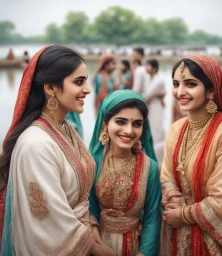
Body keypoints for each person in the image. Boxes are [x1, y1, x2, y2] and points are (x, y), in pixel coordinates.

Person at [0, 45, 116, 255]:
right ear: (50, 88)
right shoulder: (35, 144)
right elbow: (46, 222)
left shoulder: (66, 128)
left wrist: (93, 228)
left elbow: (80, 199)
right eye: (79, 82)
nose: (88, 89)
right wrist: (96, 248)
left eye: (86, 81)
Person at [160, 55, 222, 255]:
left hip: (212, 241)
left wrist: (184, 215)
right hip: (176, 233)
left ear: (211, 90)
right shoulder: (176, 129)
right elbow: (167, 174)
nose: (180, 92)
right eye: (176, 84)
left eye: (190, 84)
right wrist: (171, 195)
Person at [89, 90, 161, 256]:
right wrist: (97, 242)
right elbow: (88, 207)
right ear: (105, 123)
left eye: (137, 124)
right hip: (99, 245)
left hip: (135, 244)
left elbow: (152, 217)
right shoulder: (93, 163)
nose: (129, 131)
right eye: (121, 122)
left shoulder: (149, 167)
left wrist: (144, 253)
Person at [145, 59, 166, 166]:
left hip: (155, 107)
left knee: (156, 131)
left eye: (148, 66)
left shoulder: (158, 80)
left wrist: (155, 95)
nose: (146, 68)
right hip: (152, 107)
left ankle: (157, 162)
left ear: (154, 68)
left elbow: (147, 95)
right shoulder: (151, 79)